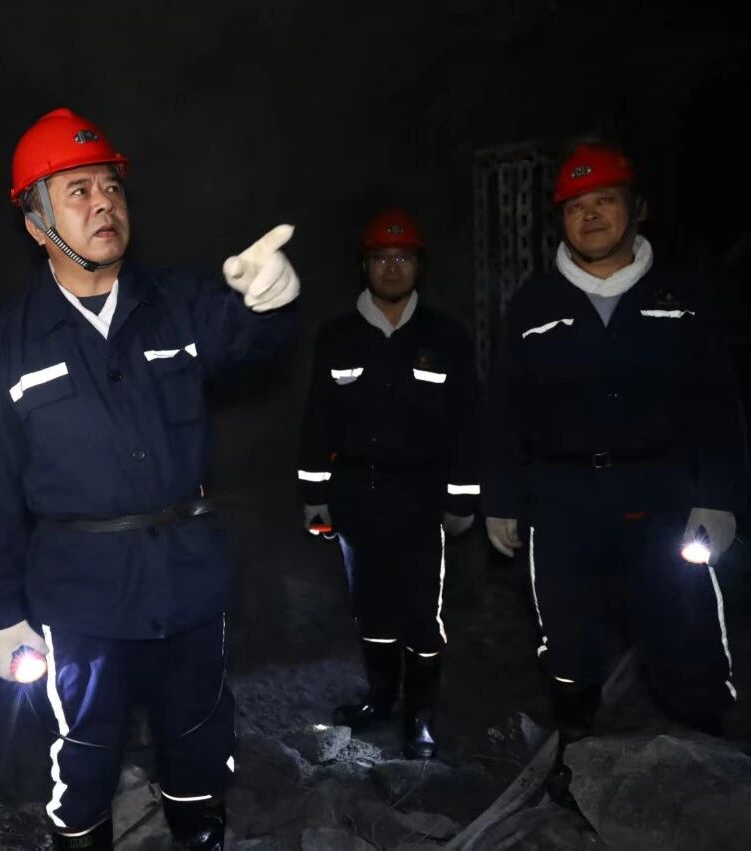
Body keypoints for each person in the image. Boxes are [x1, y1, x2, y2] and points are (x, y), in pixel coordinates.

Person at [0, 108, 299, 850]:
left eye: (111, 186)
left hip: (186, 574)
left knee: (199, 739)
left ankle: (198, 831)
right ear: (36, 222)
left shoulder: (178, 304)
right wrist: (0, 613)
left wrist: (270, 298)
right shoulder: (5, 347)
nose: (103, 203)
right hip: (80, 592)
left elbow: (252, 338)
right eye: (77, 191)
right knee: (84, 756)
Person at [482, 142, 746, 804]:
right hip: (565, 496)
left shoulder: (682, 295)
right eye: (576, 207)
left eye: (605, 200)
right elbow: (506, 408)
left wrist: (719, 497)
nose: (591, 216)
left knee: (683, 620)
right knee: (568, 635)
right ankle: (575, 755)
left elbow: (719, 402)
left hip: (664, 493)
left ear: (638, 208)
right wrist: (502, 497)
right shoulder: (534, 303)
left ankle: (710, 753)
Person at [297, 208, 478, 759]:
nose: (392, 267)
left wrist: (463, 495)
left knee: (421, 611)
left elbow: (468, 420)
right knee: (371, 606)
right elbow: (317, 419)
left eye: (402, 257)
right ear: (365, 266)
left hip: (422, 496)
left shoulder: (446, 336)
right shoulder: (337, 337)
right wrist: (314, 495)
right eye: (381, 258)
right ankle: (381, 698)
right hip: (357, 494)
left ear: (419, 265)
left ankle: (420, 716)